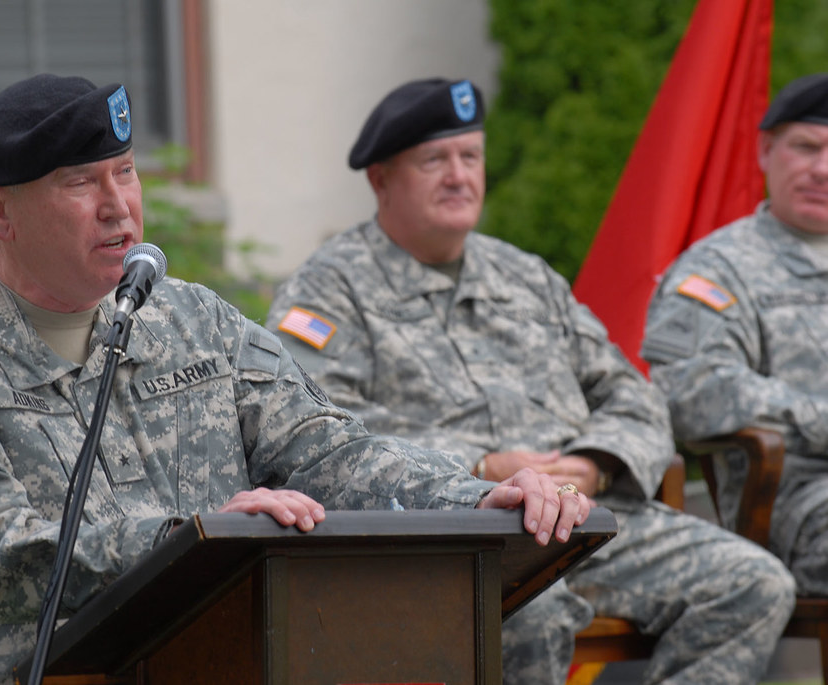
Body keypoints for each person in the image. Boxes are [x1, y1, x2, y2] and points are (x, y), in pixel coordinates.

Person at [0, 74, 590, 685]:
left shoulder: (195, 320)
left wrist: (467, 496)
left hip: (227, 661)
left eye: (125, 172)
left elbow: (328, 450)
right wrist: (194, 542)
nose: (118, 207)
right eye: (80, 183)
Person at [266, 77, 796, 685]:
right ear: (381, 180)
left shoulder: (526, 277)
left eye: (471, 157)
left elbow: (634, 394)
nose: (459, 176)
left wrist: (595, 463)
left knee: (754, 585)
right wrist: (480, 466)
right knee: (527, 612)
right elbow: (316, 428)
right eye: (434, 161)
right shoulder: (328, 289)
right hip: (453, 536)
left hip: (586, 519)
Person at [643, 72, 828, 598]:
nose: (822, 169)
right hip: (798, 500)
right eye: (806, 147)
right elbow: (691, 391)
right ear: (766, 150)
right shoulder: (717, 271)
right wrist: (819, 417)